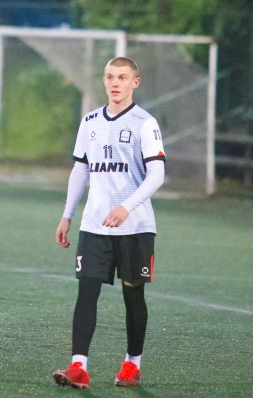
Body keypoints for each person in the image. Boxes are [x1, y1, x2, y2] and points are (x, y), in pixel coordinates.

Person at [53, 57, 166, 389]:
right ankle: (79, 367)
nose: (115, 83)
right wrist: (67, 215)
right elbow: (80, 170)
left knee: (133, 296)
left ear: (135, 83)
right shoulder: (89, 121)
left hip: (136, 227)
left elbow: (157, 174)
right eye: (110, 77)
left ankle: (132, 365)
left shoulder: (145, 123)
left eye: (122, 77)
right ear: (104, 81)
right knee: (86, 292)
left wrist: (126, 207)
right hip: (94, 225)